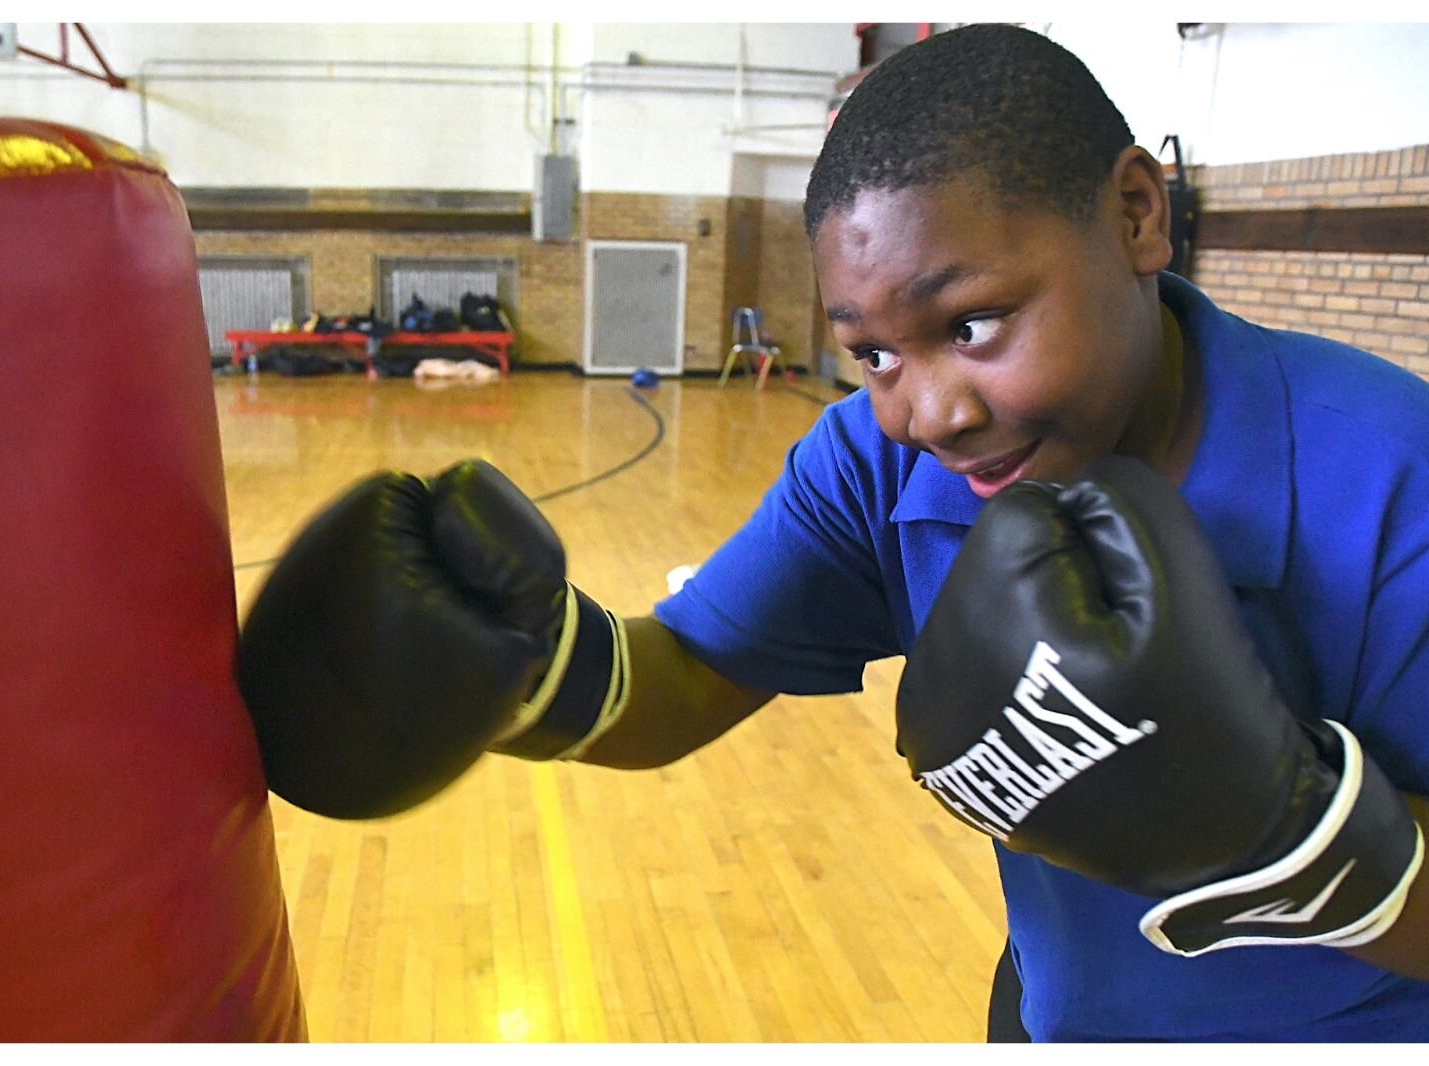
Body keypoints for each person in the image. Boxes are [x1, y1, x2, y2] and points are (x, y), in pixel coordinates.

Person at [234, 24, 1429, 1041]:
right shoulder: (879, 459)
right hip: (1053, 1016)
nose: (931, 410)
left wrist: (1289, 828)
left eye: (971, 323)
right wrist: (532, 669)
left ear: (1134, 215)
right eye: (871, 353)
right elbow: (695, 671)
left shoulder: (1392, 486)